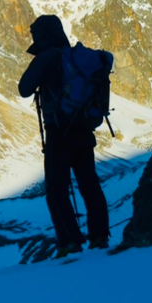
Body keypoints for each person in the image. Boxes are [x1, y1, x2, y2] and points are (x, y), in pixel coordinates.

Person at [18, 14, 110, 257]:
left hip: (59, 131)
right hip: (83, 128)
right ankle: (100, 235)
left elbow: (24, 88)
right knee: (89, 184)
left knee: (57, 189)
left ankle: (69, 241)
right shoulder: (76, 58)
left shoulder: (47, 57)